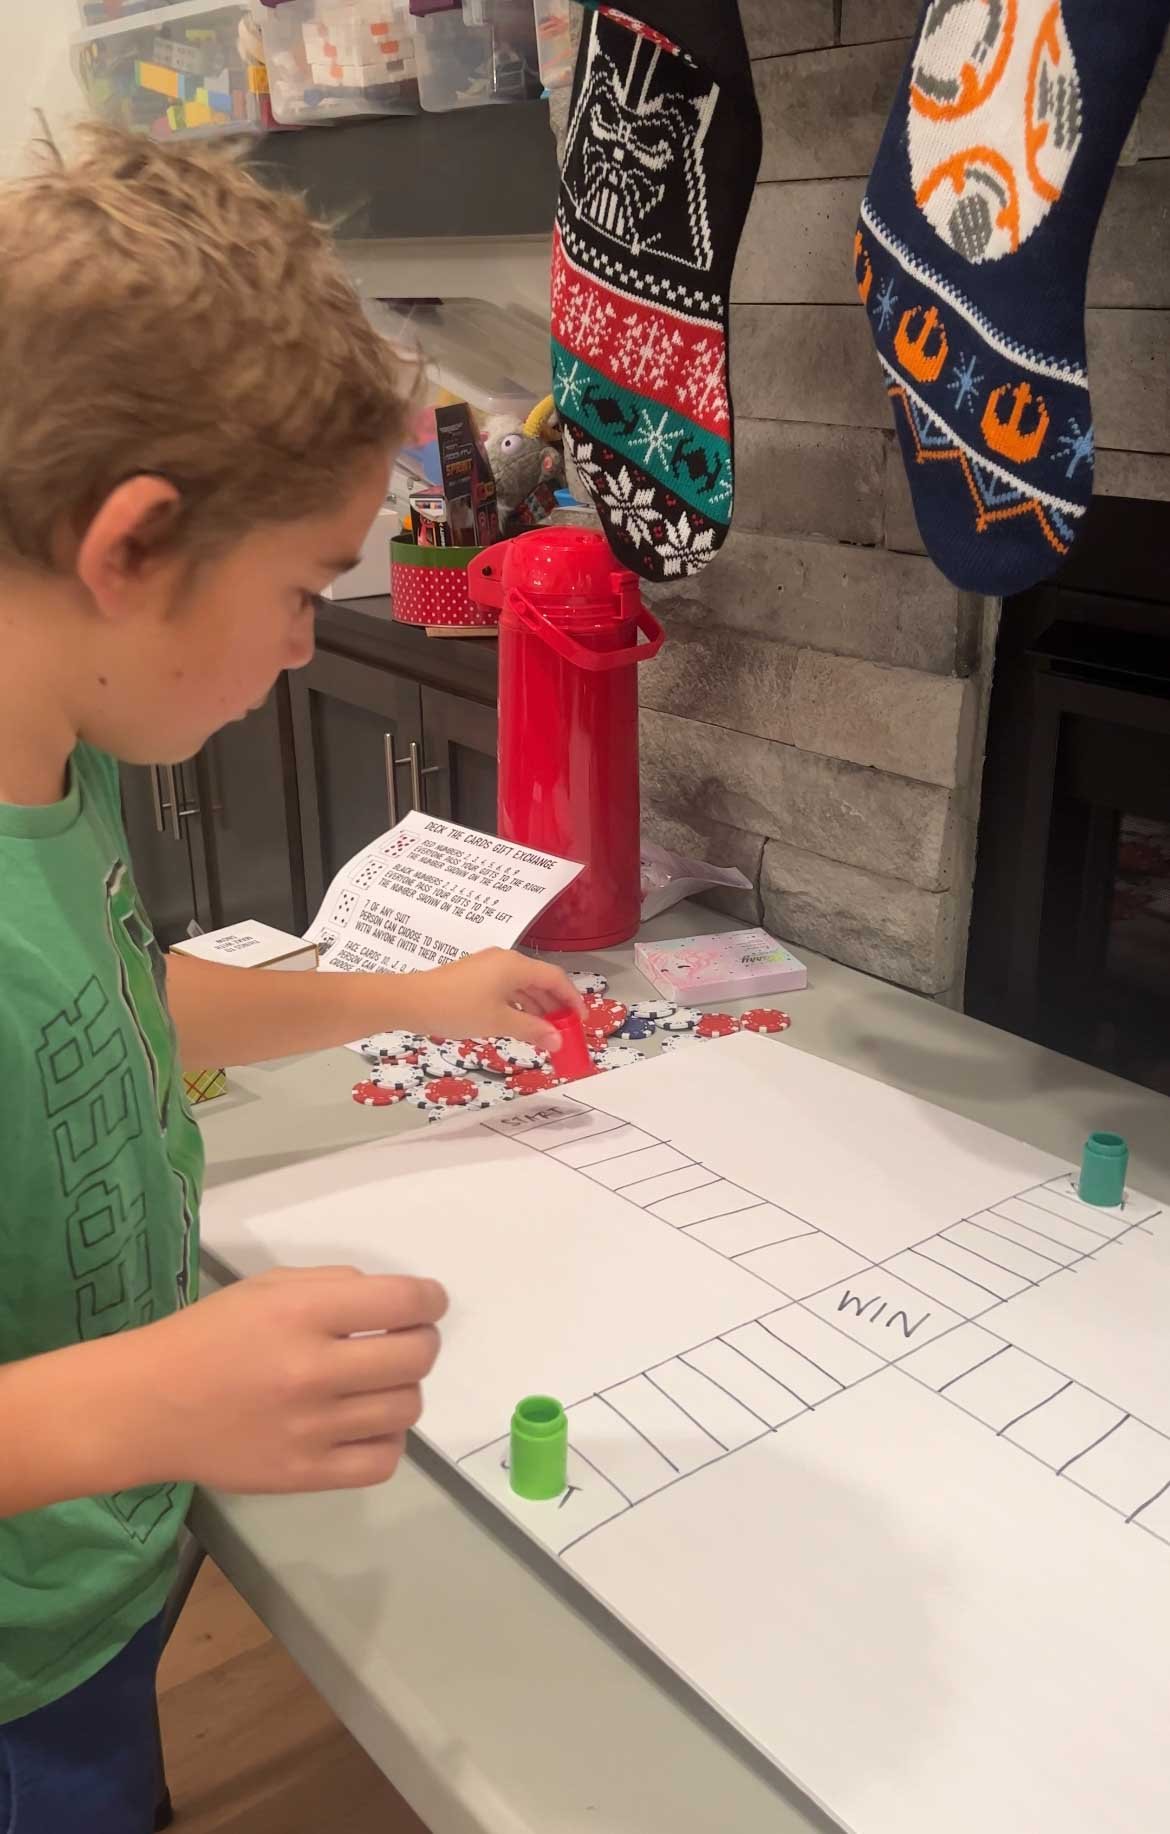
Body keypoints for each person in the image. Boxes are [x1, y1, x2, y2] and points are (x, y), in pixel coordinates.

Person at [0, 125, 580, 1832]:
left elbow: (111, 1000)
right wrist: (145, 1397)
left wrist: (409, 993)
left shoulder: (61, 751)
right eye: (299, 590)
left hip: (88, 1587)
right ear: (133, 545)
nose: (303, 648)